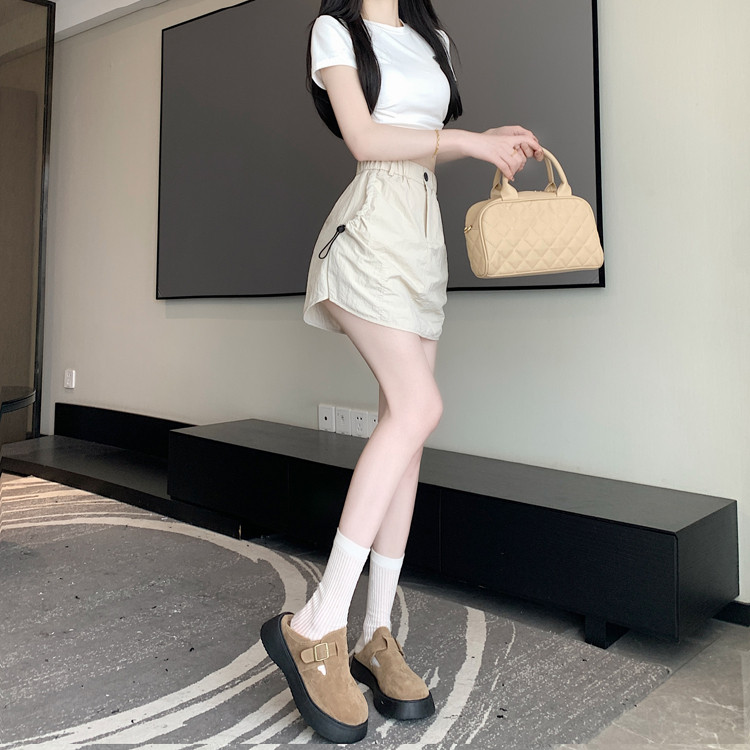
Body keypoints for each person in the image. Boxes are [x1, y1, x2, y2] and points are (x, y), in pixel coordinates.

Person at [261, 0, 544, 743]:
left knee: (405, 430)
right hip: (371, 228)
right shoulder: (336, 31)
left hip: (424, 235)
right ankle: (318, 622)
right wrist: (471, 140)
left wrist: (483, 141)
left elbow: (423, 145)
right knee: (419, 409)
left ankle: (374, 634)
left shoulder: (431, 38)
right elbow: (364, 139)